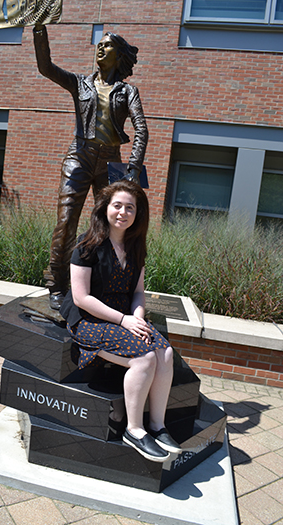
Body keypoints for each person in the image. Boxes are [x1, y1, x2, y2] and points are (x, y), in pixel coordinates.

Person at [60, 180, 181, 462]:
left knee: (165, 353)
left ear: (138, 213)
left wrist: (137, 317)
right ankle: (134, 430)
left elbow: (137, 292)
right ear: (105, 209)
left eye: (130, 207)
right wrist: (124, 320)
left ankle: (157, 426)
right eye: (117, 206)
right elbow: (81, 298)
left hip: (125, 316)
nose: (123, 212)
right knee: (144, 359)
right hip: (90, 319)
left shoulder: (135, 247)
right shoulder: (87, 244)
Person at [33, 25, 148, 309]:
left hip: (112, 161)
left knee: (110, 228)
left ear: (119, 55)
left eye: (107, 45)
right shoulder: (79, 83)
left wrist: (133, 168)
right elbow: (46, 67)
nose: (100, 48)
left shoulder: (128, 91)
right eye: (99, 44)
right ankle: (57, 285)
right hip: (80, 155)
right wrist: (39, 31)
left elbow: (141, 130)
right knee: (66, 221)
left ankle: (100, 286)